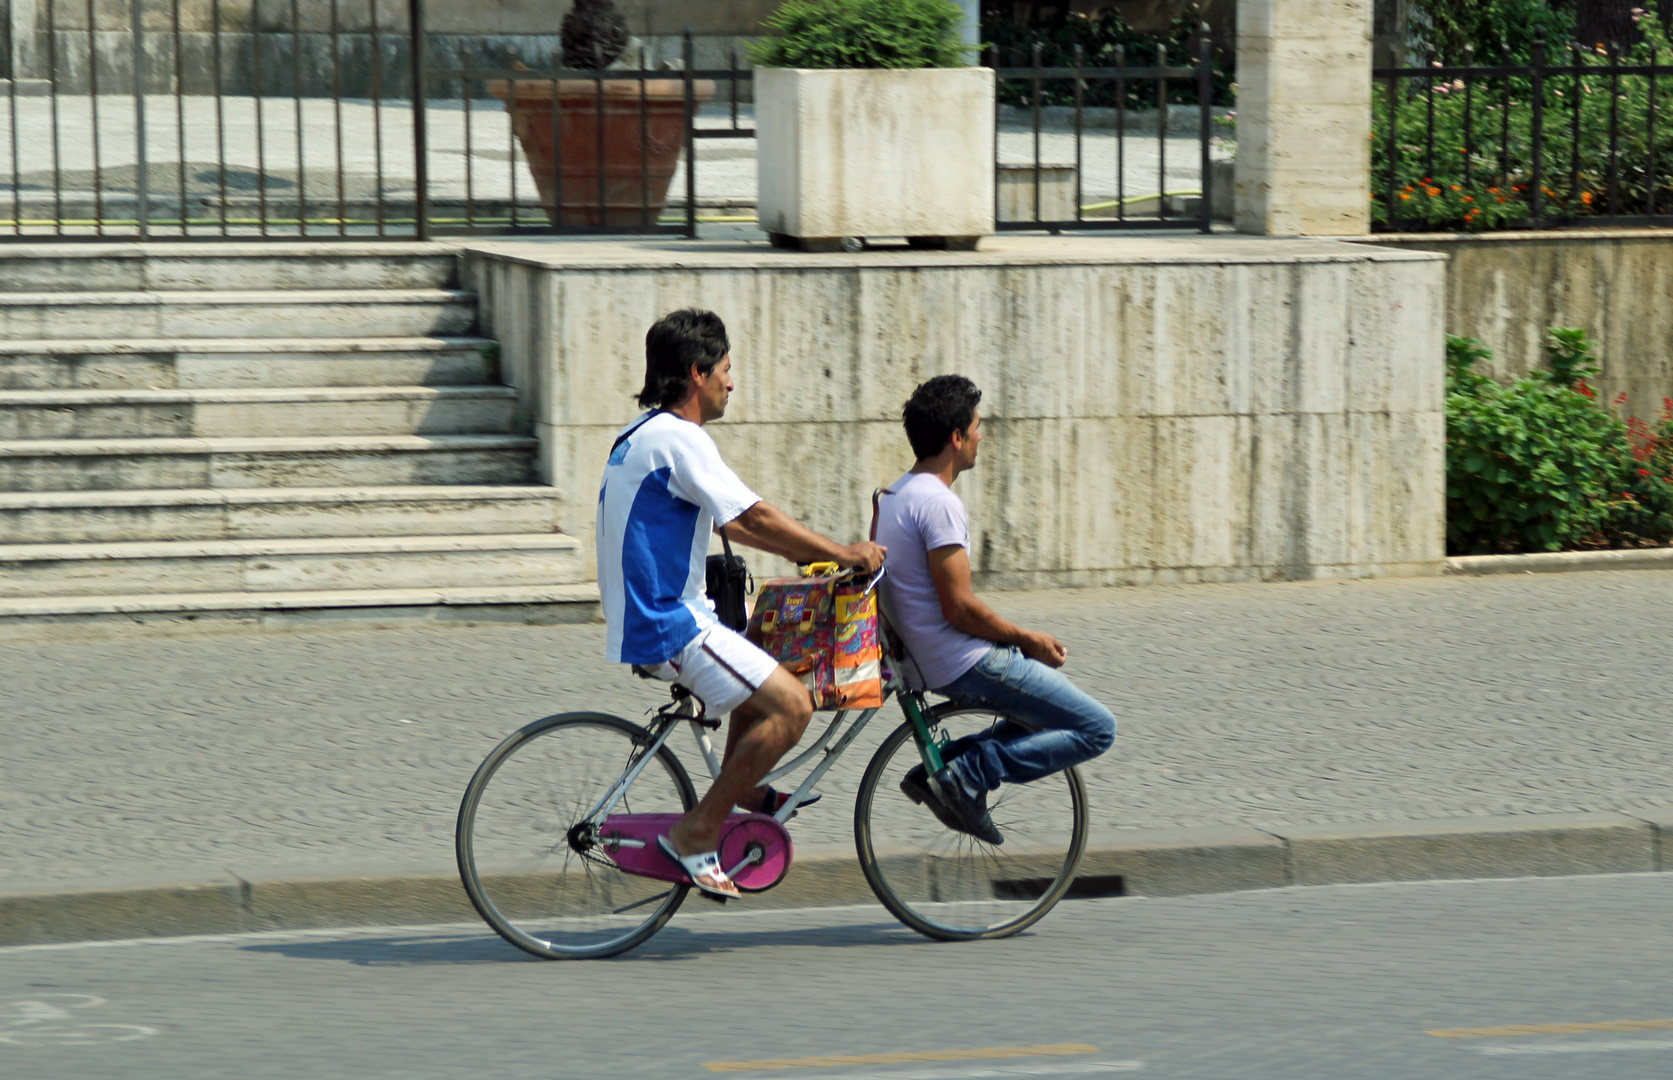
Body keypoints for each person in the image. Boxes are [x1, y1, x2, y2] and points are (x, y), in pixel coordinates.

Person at [596, 309, 885, 898]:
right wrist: (844, 552)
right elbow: (754, 515)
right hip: (670, 625)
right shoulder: (681, 439)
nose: (733, 382)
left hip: (656, 618)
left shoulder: (641, 434)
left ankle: (747, 795)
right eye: (726, 370)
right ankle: (697, 832)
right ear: (697, 374)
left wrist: (807, 558)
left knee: (768, 671)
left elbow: (739, 525)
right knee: (794, 706)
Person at [873, 375, 1115, 844]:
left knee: (1040, 715)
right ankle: (969, 772)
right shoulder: (939, 504)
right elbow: (959, 607)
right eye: (977, 427)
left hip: (922, 660)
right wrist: (1026, 639)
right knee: (1097, 727)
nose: (982, 437)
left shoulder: (892, 498)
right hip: (959, 660)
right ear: (956, 438)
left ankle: (942, 768)